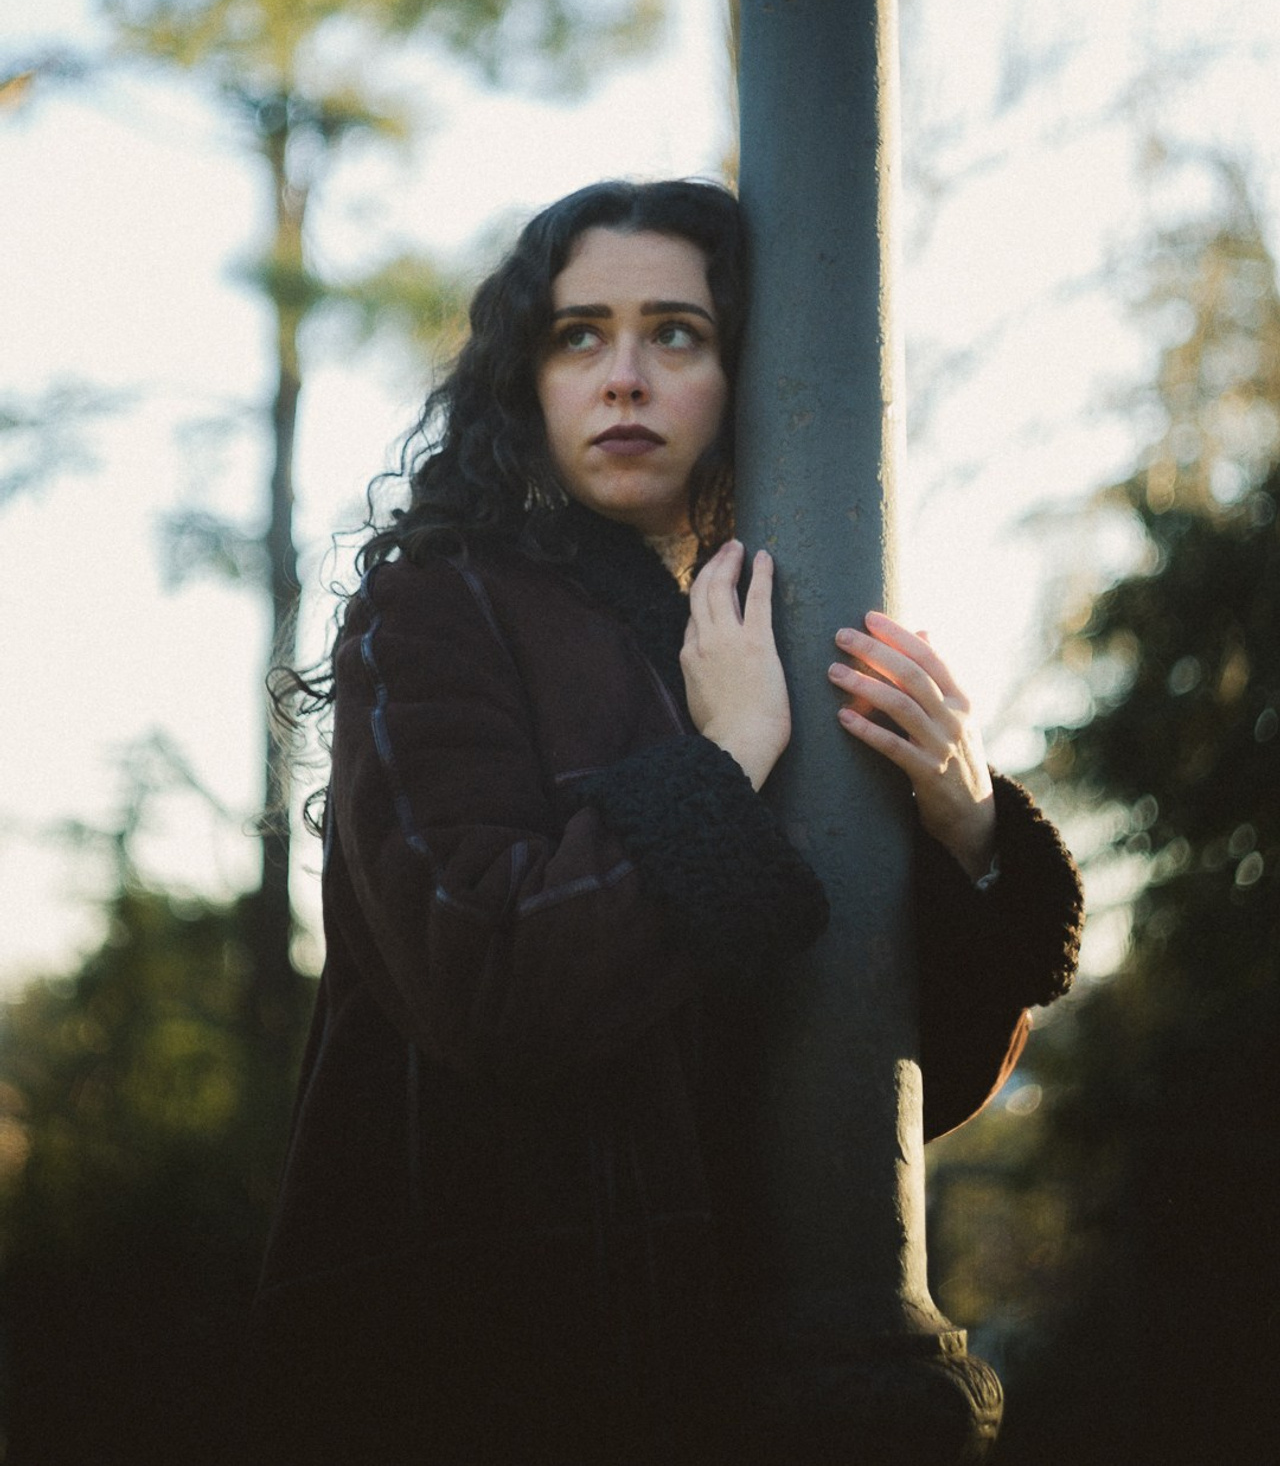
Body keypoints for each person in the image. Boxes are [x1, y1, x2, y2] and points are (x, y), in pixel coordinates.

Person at [242, 178, 1083, 1465]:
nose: (622, 377)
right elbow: (491, 981)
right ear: (525, 379)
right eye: (579, 335)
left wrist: (970, 838)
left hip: (736, 1391)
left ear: (739, 371)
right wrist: (725, 757)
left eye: (674, 335)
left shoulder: (778, 638)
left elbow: (881, 1104)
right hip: (461, 1387)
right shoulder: (433, 615)